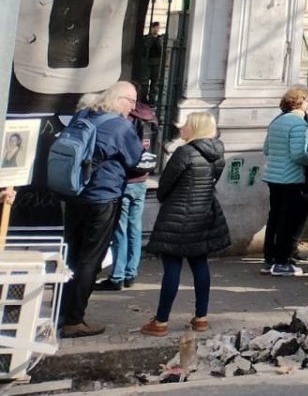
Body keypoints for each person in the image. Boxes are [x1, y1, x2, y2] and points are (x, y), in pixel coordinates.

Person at [59, 82, 144, 338]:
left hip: (74, 193)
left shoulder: (84, 115)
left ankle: (62, 311)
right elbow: (134, 158)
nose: (133, 108)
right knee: (90, 259)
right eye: (132, 102)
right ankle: (74, 320)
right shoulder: (120, 126)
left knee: (72, 253)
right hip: (103, 196)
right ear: (120, 100)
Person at [138, 112, 230, 337]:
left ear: (195, 128)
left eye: (185, 125)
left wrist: (167, 197)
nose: (181, 128)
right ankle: (201, 318)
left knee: (172, 267)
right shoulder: (217, 154)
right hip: (203, 214)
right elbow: (213, 181)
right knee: (200, 264)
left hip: (177, 216)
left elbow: (165, 185)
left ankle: (161, 321)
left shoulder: (184, 153)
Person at [97, 97, 158, 291]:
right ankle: (131, 272)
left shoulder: (125, 120)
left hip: (126, 180)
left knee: (120, 230)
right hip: (142, 179)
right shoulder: (149, 117)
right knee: (135, 228)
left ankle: (117, 275)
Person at [261, 87, 308, 277]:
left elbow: (266, 149)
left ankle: (269, 259)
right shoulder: (298, 124)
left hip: (273, 177)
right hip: (293, 178)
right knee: (289, 221)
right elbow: (299, 154)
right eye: (307, 100)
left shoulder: (277, 121)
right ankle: (282, 261)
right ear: (300, 102)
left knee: (274, 217)